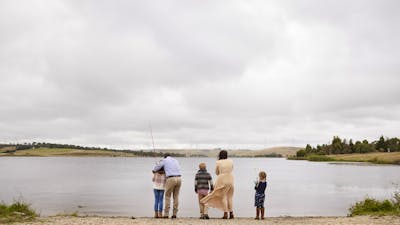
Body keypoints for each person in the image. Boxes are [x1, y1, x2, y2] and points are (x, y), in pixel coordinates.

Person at [200, 150, 234, 219]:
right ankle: (231, 213)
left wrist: (221, 174)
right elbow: (232, 169)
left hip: (222, 179)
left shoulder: (218, 162)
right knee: (230, 197)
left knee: (223, 196)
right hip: (231, 179)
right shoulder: (231, 161)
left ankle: (225, 213)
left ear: (220, 155)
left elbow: (217, 172)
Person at [153, 154, 182, 219]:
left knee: (167, 196)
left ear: (165, 157)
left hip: (171, 178)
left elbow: (156, 168)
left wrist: (154, 170)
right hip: (179, 178)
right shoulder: (176, 160)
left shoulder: (165, 160)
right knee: (176, 197)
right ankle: (174, 214)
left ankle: (166, 214)